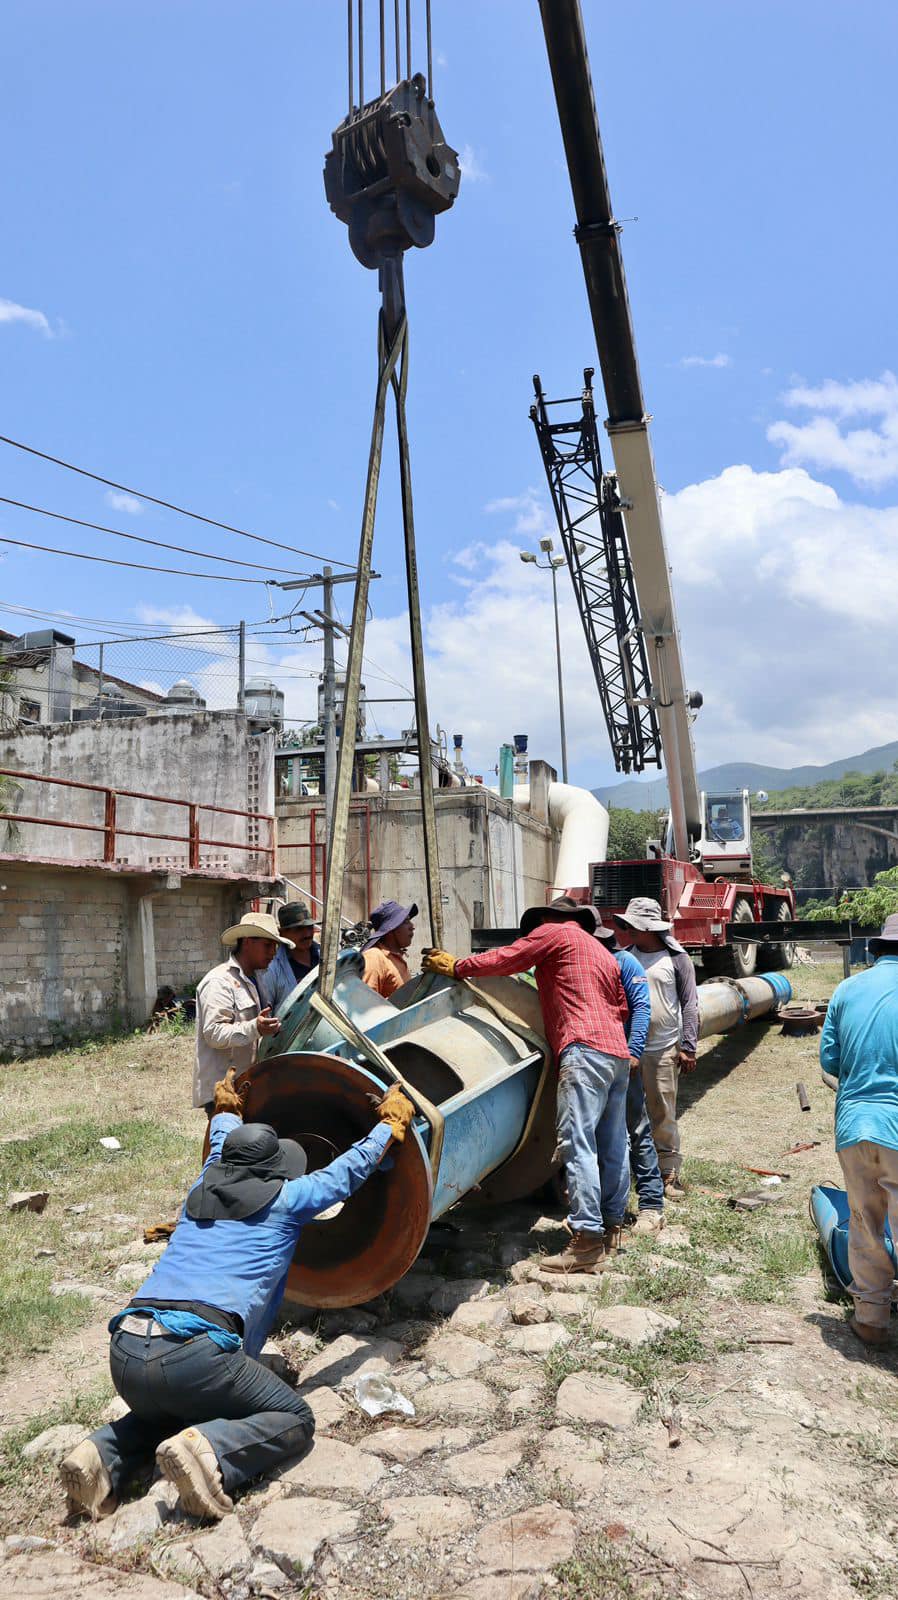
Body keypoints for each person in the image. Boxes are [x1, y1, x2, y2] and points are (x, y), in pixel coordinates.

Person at [59, 1070, 415, 1521]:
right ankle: (208, 1454)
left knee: (176, 1406)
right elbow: (347, 1171)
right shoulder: (289, 1199)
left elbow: (221, 1139)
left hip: (125, 1351)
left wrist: (226, 1110)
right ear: (276, 1169)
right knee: (295, 1418)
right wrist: (388, 1126)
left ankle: (99, 1455)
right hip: (193, 1356)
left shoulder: (201, 1187)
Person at [423, 897, 630, 1273]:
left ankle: (586, 1241)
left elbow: (507, 959)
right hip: (615, 1054)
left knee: (577, 1143)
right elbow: (621, 1006)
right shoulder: (600, 952)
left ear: (549, 919)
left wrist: (457, 966)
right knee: (613, 1143)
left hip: (582, 1049)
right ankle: (612, 1227)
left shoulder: (553, 934)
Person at [819, 913, 898, 1349]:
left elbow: (830, 1060)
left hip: (855, 1123)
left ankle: (871, 1318)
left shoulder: (847, 989)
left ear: (878, 950)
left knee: (865, 1219)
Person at [613, 897, 698, 1202]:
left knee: (662, 1110)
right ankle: (637, 1168)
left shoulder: (677, 959)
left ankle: (668, 1171)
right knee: (629, 1112)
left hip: (663, 1047)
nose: (628, 931)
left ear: (648, 928)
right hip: (629, 1049)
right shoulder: (624, 957)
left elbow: (690, 1004)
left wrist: (688, 1046)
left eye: (634, 926)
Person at [593, 920, 664, 1234]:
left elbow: (642, 1008)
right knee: (600, 1136)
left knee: (635, 1129)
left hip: (623, 1060)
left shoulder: (624, 962)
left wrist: (634, 1051)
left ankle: (651, 1205)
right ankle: (605, 1204)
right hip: (597, 1060)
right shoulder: (586, 964)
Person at [193, 914, 288, 1114]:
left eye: (275, 947)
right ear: (247, 942)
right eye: (267, 945)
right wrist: (255, 1027)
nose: (273, 952)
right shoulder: (220, 982)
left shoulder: (256, 979)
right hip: (225, 1091)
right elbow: (214, 1034)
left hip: (246, 1083)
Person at [258, 902, 320, 1012]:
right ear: (282, 933)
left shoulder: (324, 956)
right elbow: (266, 1013)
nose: (307, 934)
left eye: (309, 927)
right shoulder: (271, 968)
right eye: (299, 929)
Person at [362, 900, 418, 998]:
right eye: (405, 921)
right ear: (390, 930)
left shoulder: (396, 958)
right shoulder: (374, 957)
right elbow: (365, 1003)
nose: (412, 926)